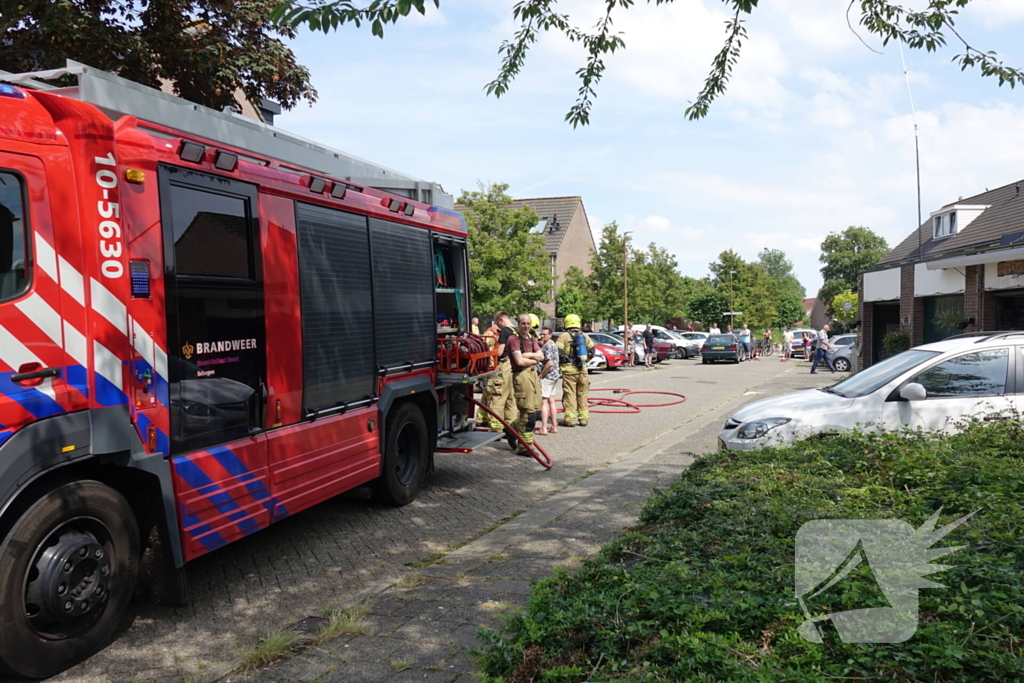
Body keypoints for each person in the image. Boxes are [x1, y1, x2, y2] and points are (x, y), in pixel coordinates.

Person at [506, 314, 545, 453]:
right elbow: (519, 362)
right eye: (523, 323)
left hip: (533, 375)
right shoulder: (513, 339)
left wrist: (528, 356)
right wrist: (534, 359)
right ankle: (525, 447)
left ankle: (511, 430)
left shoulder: (531, 339)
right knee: (528, 413)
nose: (526, 326)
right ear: (518, 324)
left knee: (537, 410)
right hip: (522, 375)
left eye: (528, 323)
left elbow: (542, 356)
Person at [556, 314, 595, 427]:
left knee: (570, 395)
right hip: (583, 371)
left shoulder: (563, 336)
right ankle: (583, 419)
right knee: (583, 394)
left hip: (569, 371)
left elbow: (557, 352)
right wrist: (584, 361)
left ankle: (569, 419)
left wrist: (563, 362)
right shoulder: (585, 336)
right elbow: (592, 351)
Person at [480, 312, 517, 431]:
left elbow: (499, 353)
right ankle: (511, 427)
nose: (497, 326)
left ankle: (496, 428)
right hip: (514, 367)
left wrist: (490, 355)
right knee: (511, 398)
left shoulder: (505, 331)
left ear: (501, 320)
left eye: (497, 323)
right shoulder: (516, 330)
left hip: (503, 366)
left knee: (498, 396)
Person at [537, 326, 561, 435]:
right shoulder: (552, 345)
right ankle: (554, 426)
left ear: (550, 335)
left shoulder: (548, 346)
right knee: (552, 400)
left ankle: (544, 428)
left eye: (544, 334)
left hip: (547, 377)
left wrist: (541, 375)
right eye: (541, 334)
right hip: (555, 376)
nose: (542, 336)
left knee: (544, 402)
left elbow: (549, 363)